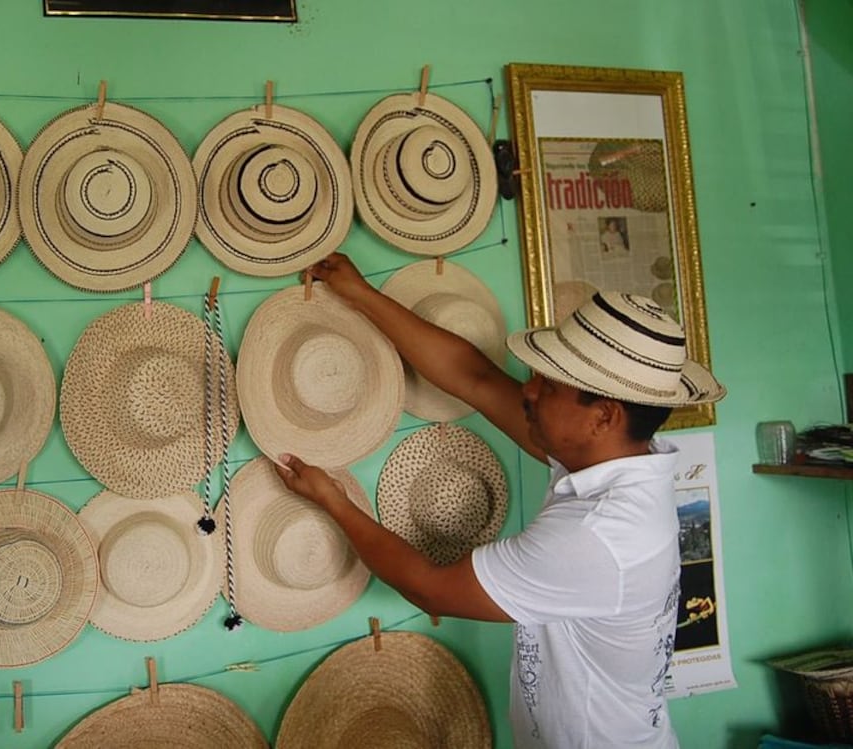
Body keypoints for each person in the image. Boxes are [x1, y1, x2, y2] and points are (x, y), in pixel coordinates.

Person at [273, 252, 726, 749]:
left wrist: (334, 501)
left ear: (603, 417)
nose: (529, 392)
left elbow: (430, 588)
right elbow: (478, 380)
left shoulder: (598, 535)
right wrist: (361, 295)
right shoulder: (616, 464)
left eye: (549, 385)